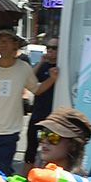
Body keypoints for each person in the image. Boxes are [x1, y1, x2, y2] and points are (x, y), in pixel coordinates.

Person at [0, 29, 57, 175]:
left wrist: (52, 79)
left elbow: (36, 89)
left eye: (6, 41)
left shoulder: (23, 68)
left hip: (10, 132)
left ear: (15, 45)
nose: (2, 45)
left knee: (2, 172)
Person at [24, 37, 59, 170]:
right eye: (48, 47)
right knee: (31, 148)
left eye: (54, 48)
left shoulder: (61, 67)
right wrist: (41, 62)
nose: (50, 50)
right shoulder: (43, 66)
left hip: (53, 116)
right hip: (38, 113)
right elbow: (29, 79)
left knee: (51, 149)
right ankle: (26, 176)